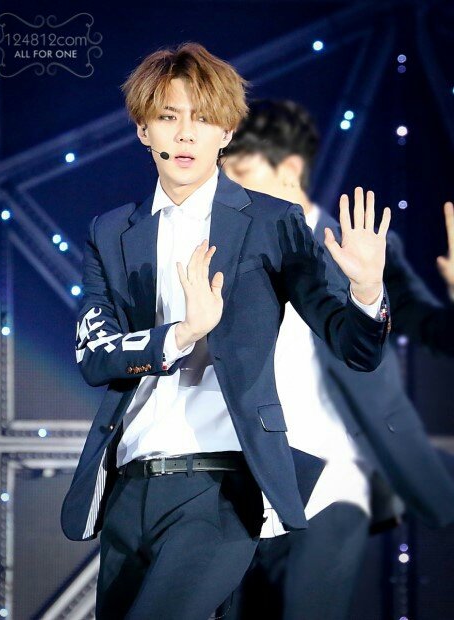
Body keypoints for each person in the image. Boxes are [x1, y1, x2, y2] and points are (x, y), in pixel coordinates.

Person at [60, 45, 392, 620]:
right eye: (168, 116)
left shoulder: (272, 221)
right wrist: (182, 333)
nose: (186, 133)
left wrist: (366, 291)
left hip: (220, 488)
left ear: (227, 132)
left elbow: (356, 347)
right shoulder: (111, 232)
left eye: (203, 117)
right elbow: (95, 355)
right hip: (128, 487)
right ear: (143, 130)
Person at [221, 99, 454, 620]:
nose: (231, 190)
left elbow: (434, 329)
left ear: (290, 169)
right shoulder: (225, 252)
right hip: (248, 474)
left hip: (334, 473)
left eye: (242, 173)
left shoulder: (362, 247)